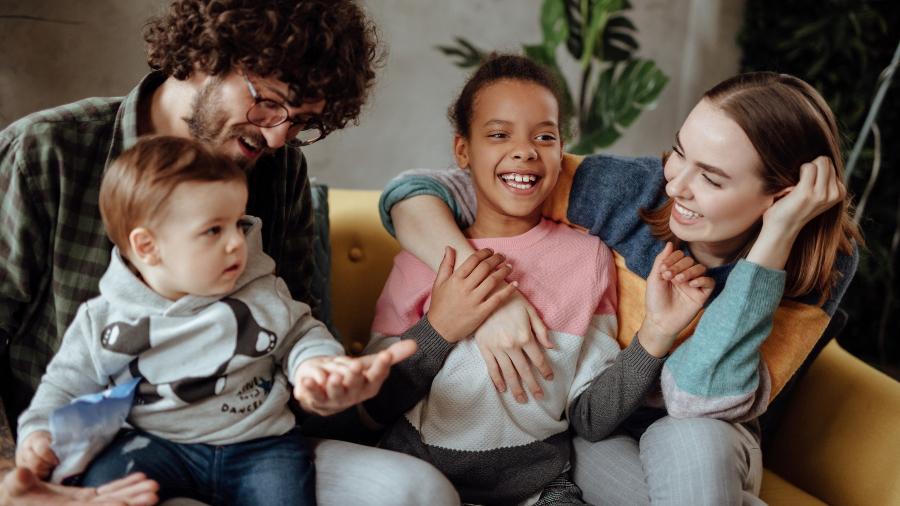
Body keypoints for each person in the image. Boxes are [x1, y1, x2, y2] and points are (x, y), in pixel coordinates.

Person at [0, 1, 459, 504]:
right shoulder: (45, 153)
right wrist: (13, 478)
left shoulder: (278, 169)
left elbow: (289, 321)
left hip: (250, 442)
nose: (277, 136)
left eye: (302, 121)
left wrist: (317, 384)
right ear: (207, 53)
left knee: (418, 491)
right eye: (270, 103)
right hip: (96, 457)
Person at [379, 71, 862, 504]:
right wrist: (490, 302)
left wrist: (771, 247)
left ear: (779, 197)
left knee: (692, 437)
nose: (677, 187)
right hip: (599, 430)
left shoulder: (821, 263)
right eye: (680, 153)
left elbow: (700, 402)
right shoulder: (627, 190)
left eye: (711, 178)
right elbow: (424, 189)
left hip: (713, 434)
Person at [361, 55, 714, 505]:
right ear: (462, 151)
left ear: (561, 150)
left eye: (544, 136)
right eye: (498, 134)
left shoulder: (588, 259)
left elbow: (589, 418)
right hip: (420, 480)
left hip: (541, 491)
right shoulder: (424, 255)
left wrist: (657, 335)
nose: (525, 150)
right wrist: (439, 330)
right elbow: (372, 407)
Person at [15, 136, 419, 504]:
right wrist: (38, 434)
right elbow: (62, 386)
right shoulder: (103, 319)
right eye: (213, 230)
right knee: (102, 487)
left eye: (237, 223)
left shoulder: (259, 289)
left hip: (260, 445)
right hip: (155, 443)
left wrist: (317, 366)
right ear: (148, 246)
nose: (235, 242)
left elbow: (301, 334)